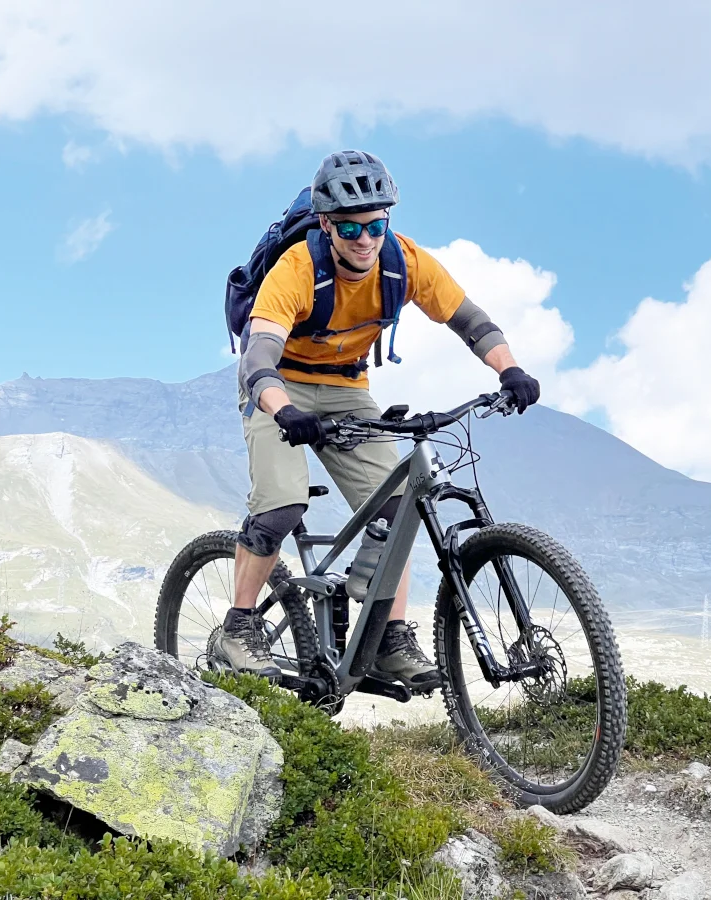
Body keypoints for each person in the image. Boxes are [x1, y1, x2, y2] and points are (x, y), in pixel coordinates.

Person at [214, 149, 541, 690]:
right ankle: (238, 627)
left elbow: (472, 321)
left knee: (398, 506)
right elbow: (257, 359)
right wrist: (285, 410)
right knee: (279, 507)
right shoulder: (297, 269)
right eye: (348, 227)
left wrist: (511, 370)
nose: (363, 238)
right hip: (280, 386)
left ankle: (389, 639)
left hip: (347, 386)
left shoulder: (404, 262)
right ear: (326, 224)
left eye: (374, 224)